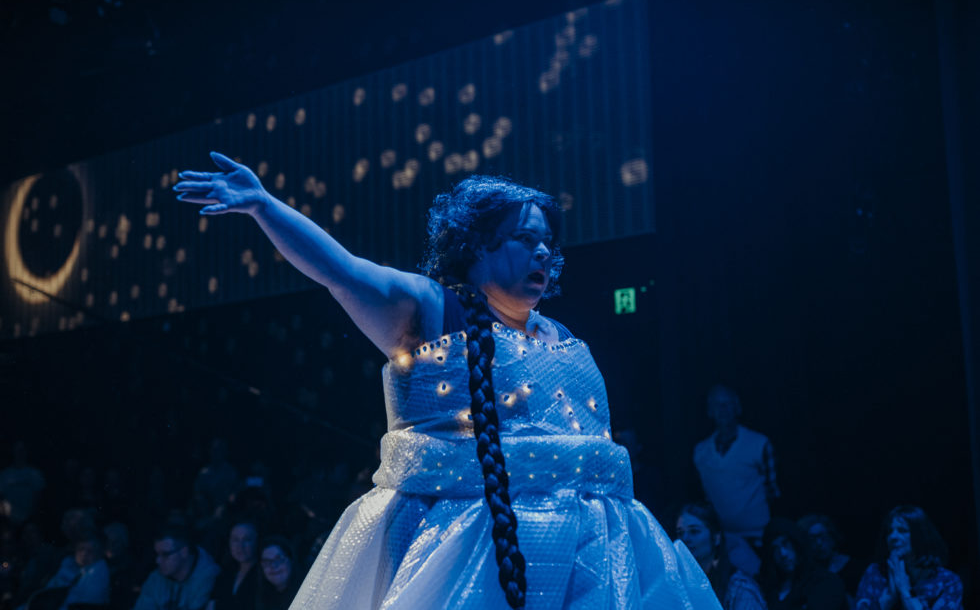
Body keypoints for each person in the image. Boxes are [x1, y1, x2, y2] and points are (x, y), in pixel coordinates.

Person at [174, 152, 720, 609]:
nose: (543, 254)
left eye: (548, 244)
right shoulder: (433, 312)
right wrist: (264, 207)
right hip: (466, 556)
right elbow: (340, 270)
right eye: (525, 240)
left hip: (596, 558)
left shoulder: (563, 336)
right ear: (475, 245)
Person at [693, 385, 779, 547]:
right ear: (709, 411)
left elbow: (773, 492)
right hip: (723, 538)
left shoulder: (759, 444)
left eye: (728, 404)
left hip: (759, 536)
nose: (723, 409)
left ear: (737, 407)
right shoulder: (701, 451)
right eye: (717, 405)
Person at [855, 506, 962, 610]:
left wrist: (905, 590)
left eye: (902, 530)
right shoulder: (875, 573)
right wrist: (889, 597)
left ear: (920, 535)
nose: (893, 537)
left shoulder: (947, 581)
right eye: (889, 531)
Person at [675, 501, 766, 610]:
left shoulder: (740, 589)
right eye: (680, 533)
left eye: (694, 531)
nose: (685, 539)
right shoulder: (681, 585)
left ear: (716, 537)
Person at [759, 518, 845, 610]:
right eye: (775, 549)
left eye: (786, 544)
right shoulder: (767, 589)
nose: (783, 553)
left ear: (797, 543)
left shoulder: (827, 582)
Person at [132, 524, 220, 610]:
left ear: (184, 552)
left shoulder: (209, 577)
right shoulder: (156, 578)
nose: (158, 561)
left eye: (165, 554)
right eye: (157, 554)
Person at [798, 514, 865, 604]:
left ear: (832, 536)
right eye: (812, 539)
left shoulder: (855, 568)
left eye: (822, 537)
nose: (819, 543)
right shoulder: (808, 575)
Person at [208, 522, 259, 610]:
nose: (240, 546)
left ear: (256, 542)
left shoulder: (264, 573)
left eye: (246, 540)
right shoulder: (225, 573)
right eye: (235, 540)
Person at [255, 538, 300, 610]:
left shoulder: (304, 594)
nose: (273, 566)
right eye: (267, 561)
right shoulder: (261, 598)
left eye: (279, 559)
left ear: (291, 560)